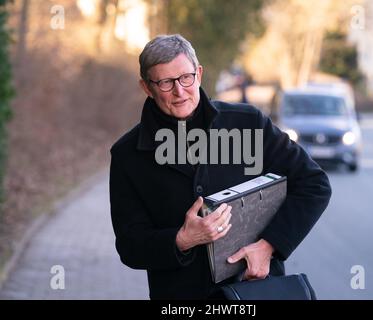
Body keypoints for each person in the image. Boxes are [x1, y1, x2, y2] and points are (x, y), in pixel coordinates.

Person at [109, 34, 332, 300]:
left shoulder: (248, 124)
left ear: (199, 74)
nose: (180, 91)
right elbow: (130, 246)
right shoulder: (127, 155)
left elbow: (314, 183)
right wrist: (182, 239)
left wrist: (269, 246)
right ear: (147, 87)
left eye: (185, 78)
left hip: (253, 292)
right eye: (166, 83)